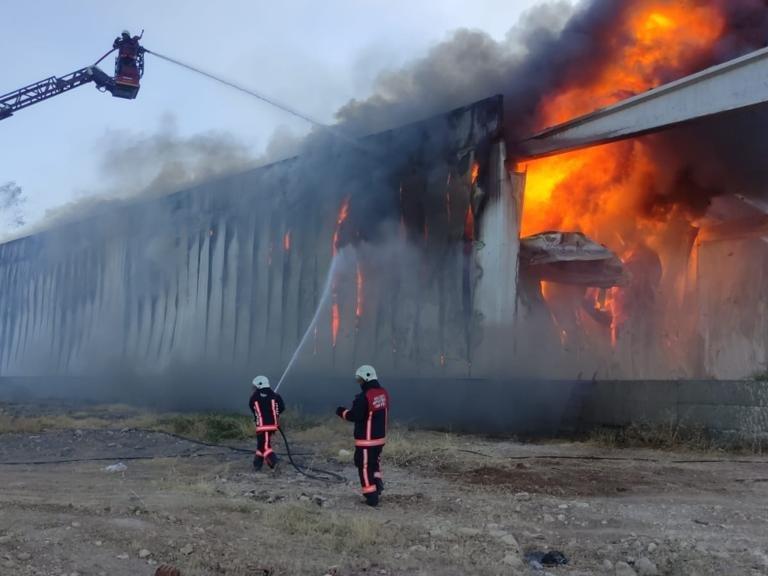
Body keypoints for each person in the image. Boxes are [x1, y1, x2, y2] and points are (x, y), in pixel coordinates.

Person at [336, 365, 389, 506]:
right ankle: (377, 485)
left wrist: (341, 412)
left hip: (366, 440)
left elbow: (355, 416)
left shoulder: (364, 397)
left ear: (366, 378)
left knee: (364, 466)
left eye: (360, 380)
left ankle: (371, 496)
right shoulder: (382, 393)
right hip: (379, 439)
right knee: (375, 463)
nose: (359, 383)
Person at [248, 375, 285, 471]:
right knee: (261, 444)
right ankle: (257, 464)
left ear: (259, 385)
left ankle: (274, 463)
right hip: (273, 425)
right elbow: (281, 408)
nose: (253, 388)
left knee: (265, 446)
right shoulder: (276, 396)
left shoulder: (254, 398)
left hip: (262, 426)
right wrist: (274, 414)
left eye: (255, 386)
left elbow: (253, 408)